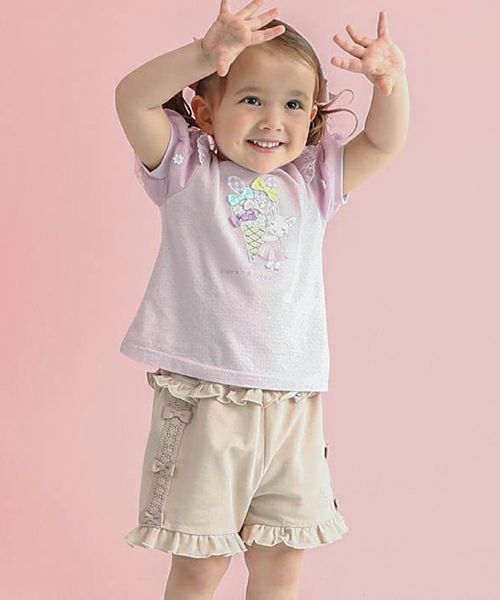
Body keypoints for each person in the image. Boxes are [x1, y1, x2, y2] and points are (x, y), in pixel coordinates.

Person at [115, 1, 409, 598]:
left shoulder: (312, 182)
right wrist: (204, 54)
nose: (273, 120)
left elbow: (382, 143)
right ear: (206, 110)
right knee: (201, 564)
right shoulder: (186, 171)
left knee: (281, 562)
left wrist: (391, 81)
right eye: (252, 99)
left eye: (294, 104)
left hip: (293, 404)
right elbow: (132, 99)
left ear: (312, 116)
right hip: (207, 402)